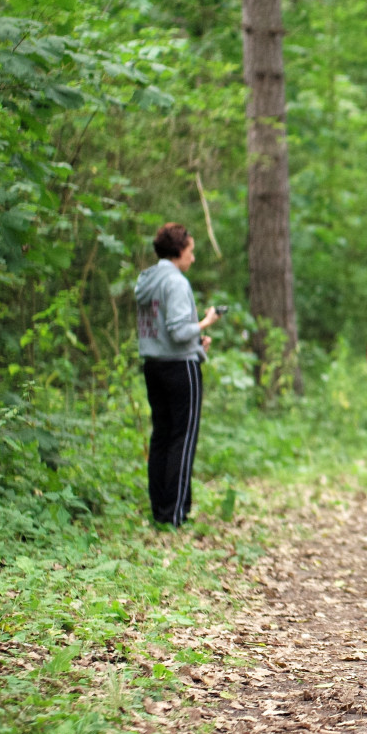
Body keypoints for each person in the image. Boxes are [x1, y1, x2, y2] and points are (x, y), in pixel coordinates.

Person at [134, 222, 221, 529]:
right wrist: (205, 323)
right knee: (182, 438)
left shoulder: (147, 279)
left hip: (153, 364)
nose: (193, 258)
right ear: (178, 251)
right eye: (191, 251)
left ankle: (160, 510)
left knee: (161, 436)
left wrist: (196, 338)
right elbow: (179, 330)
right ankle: (174, 515)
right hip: (180, 367)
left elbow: (164, 329)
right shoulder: (176, 282)